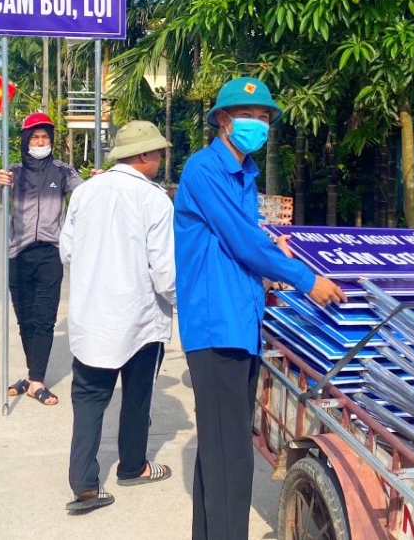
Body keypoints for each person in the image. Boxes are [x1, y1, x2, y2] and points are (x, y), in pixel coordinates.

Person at [174, 77, 347, 540]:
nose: (260, 124)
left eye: (266, 118)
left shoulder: (244, 173)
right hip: (216, 327)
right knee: (231, 456)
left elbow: (240, 246)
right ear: (224, 120)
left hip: (240, 323)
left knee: (218, 450)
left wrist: (275, 258)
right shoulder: (204, 169)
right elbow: (242, 242)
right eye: (250, 116)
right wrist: (307, 280)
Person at [59, 121, 177, 514]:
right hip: (139, 319)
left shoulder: (85, 193)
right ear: (143, 156)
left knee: (89, 399)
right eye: (158, 153)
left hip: (93, 316)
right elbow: (165, 271)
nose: (160, 159)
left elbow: (68, 251)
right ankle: (133, 466)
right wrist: (184, 303)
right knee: (138, 396)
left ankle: (84, 485)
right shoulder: (155, 199)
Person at [0, 112, 84, 406]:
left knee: (44, 319)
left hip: (49, 253)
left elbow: (85, 195)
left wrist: (98, 181)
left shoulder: (63, 171)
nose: (41, 142)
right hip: (17, 253)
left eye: (45, 137)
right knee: (25, 320)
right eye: (35, 137)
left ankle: (36, 381)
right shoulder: (13, 172)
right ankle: (33, 377)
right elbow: (0, 197)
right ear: (25, 141)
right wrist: (0, 182)